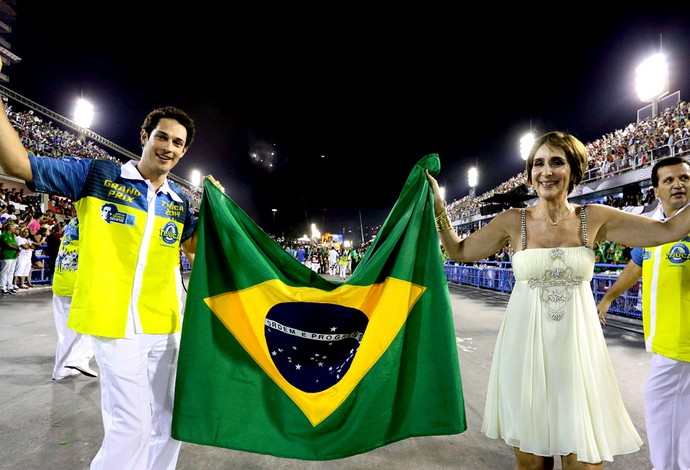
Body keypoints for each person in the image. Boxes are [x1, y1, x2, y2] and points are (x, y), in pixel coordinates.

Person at [427, 130, 690, 469]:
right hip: (524, 354)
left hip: (579, 356)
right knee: (532, 463)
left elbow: (668, 232)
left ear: (574, 170)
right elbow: (458, 250)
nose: (546, 172)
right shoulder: (512, 221)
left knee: (583, 463)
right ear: (530, 173)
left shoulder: (594, 218)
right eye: (538, 164)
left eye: (556, 162)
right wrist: (439, 207)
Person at [0, 68, 222, 469]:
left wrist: (214, 210)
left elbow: (201, 252)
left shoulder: (178, 203)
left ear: (184, 151)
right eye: (162, 137)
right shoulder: (97, 175)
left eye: (178, 143)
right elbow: (17, 164)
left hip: (166, 326)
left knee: (173, 423)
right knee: (131, 428)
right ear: (144, 137)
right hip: (113, 324)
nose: (169, 147)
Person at [596, 156, 690, 470]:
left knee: (661, 404)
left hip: (683, 341)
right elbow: (635, 266)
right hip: (663, 338)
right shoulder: (652, 230)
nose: (679, 185)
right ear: (656, 191)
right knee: (679, 412)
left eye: (685, 178)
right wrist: (608, 298)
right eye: (669, 180)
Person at [51, 216, 98, 380]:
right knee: (96, 325)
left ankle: (61, 369)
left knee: (67, 333)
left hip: (61, 280)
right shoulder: (90, 222)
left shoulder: (72, 222)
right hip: (77, 284)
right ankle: (78, 359)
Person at [0, 221, 20, 295]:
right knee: (4, 272)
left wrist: (17, 251)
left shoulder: (12, 235)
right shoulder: (4, 235)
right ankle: (2, 287)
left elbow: (15, 244)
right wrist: (17, 249)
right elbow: (9, 245)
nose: (14, 228)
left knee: (11, 272)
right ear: (9, 228)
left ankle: (9, 287)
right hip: (7, 256)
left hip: (13, 256)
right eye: (13, 227)